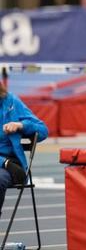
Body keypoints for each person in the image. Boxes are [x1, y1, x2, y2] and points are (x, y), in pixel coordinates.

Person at [0, 82, 48, 218]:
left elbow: (42, 130)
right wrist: (4, 163)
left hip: (11, 165)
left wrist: (20, 125)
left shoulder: (11, 101)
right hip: (7, 164)